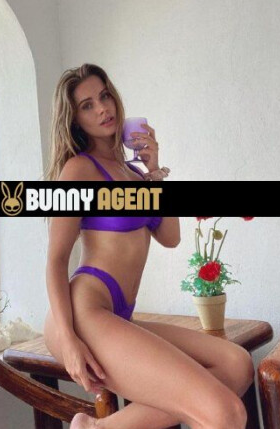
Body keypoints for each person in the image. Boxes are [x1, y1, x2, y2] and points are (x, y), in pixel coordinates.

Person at [43, 63, 254, 429]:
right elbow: (55, 260)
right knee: (226, 412)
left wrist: (154, 171)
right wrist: (68, 338)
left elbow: (171, 238)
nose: (103, 109)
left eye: (104, 96)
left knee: (237, 364)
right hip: (85, 312)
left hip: (119, 314)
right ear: (74, 119)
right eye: (88, 105)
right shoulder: (79, 170)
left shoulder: (135, 174)